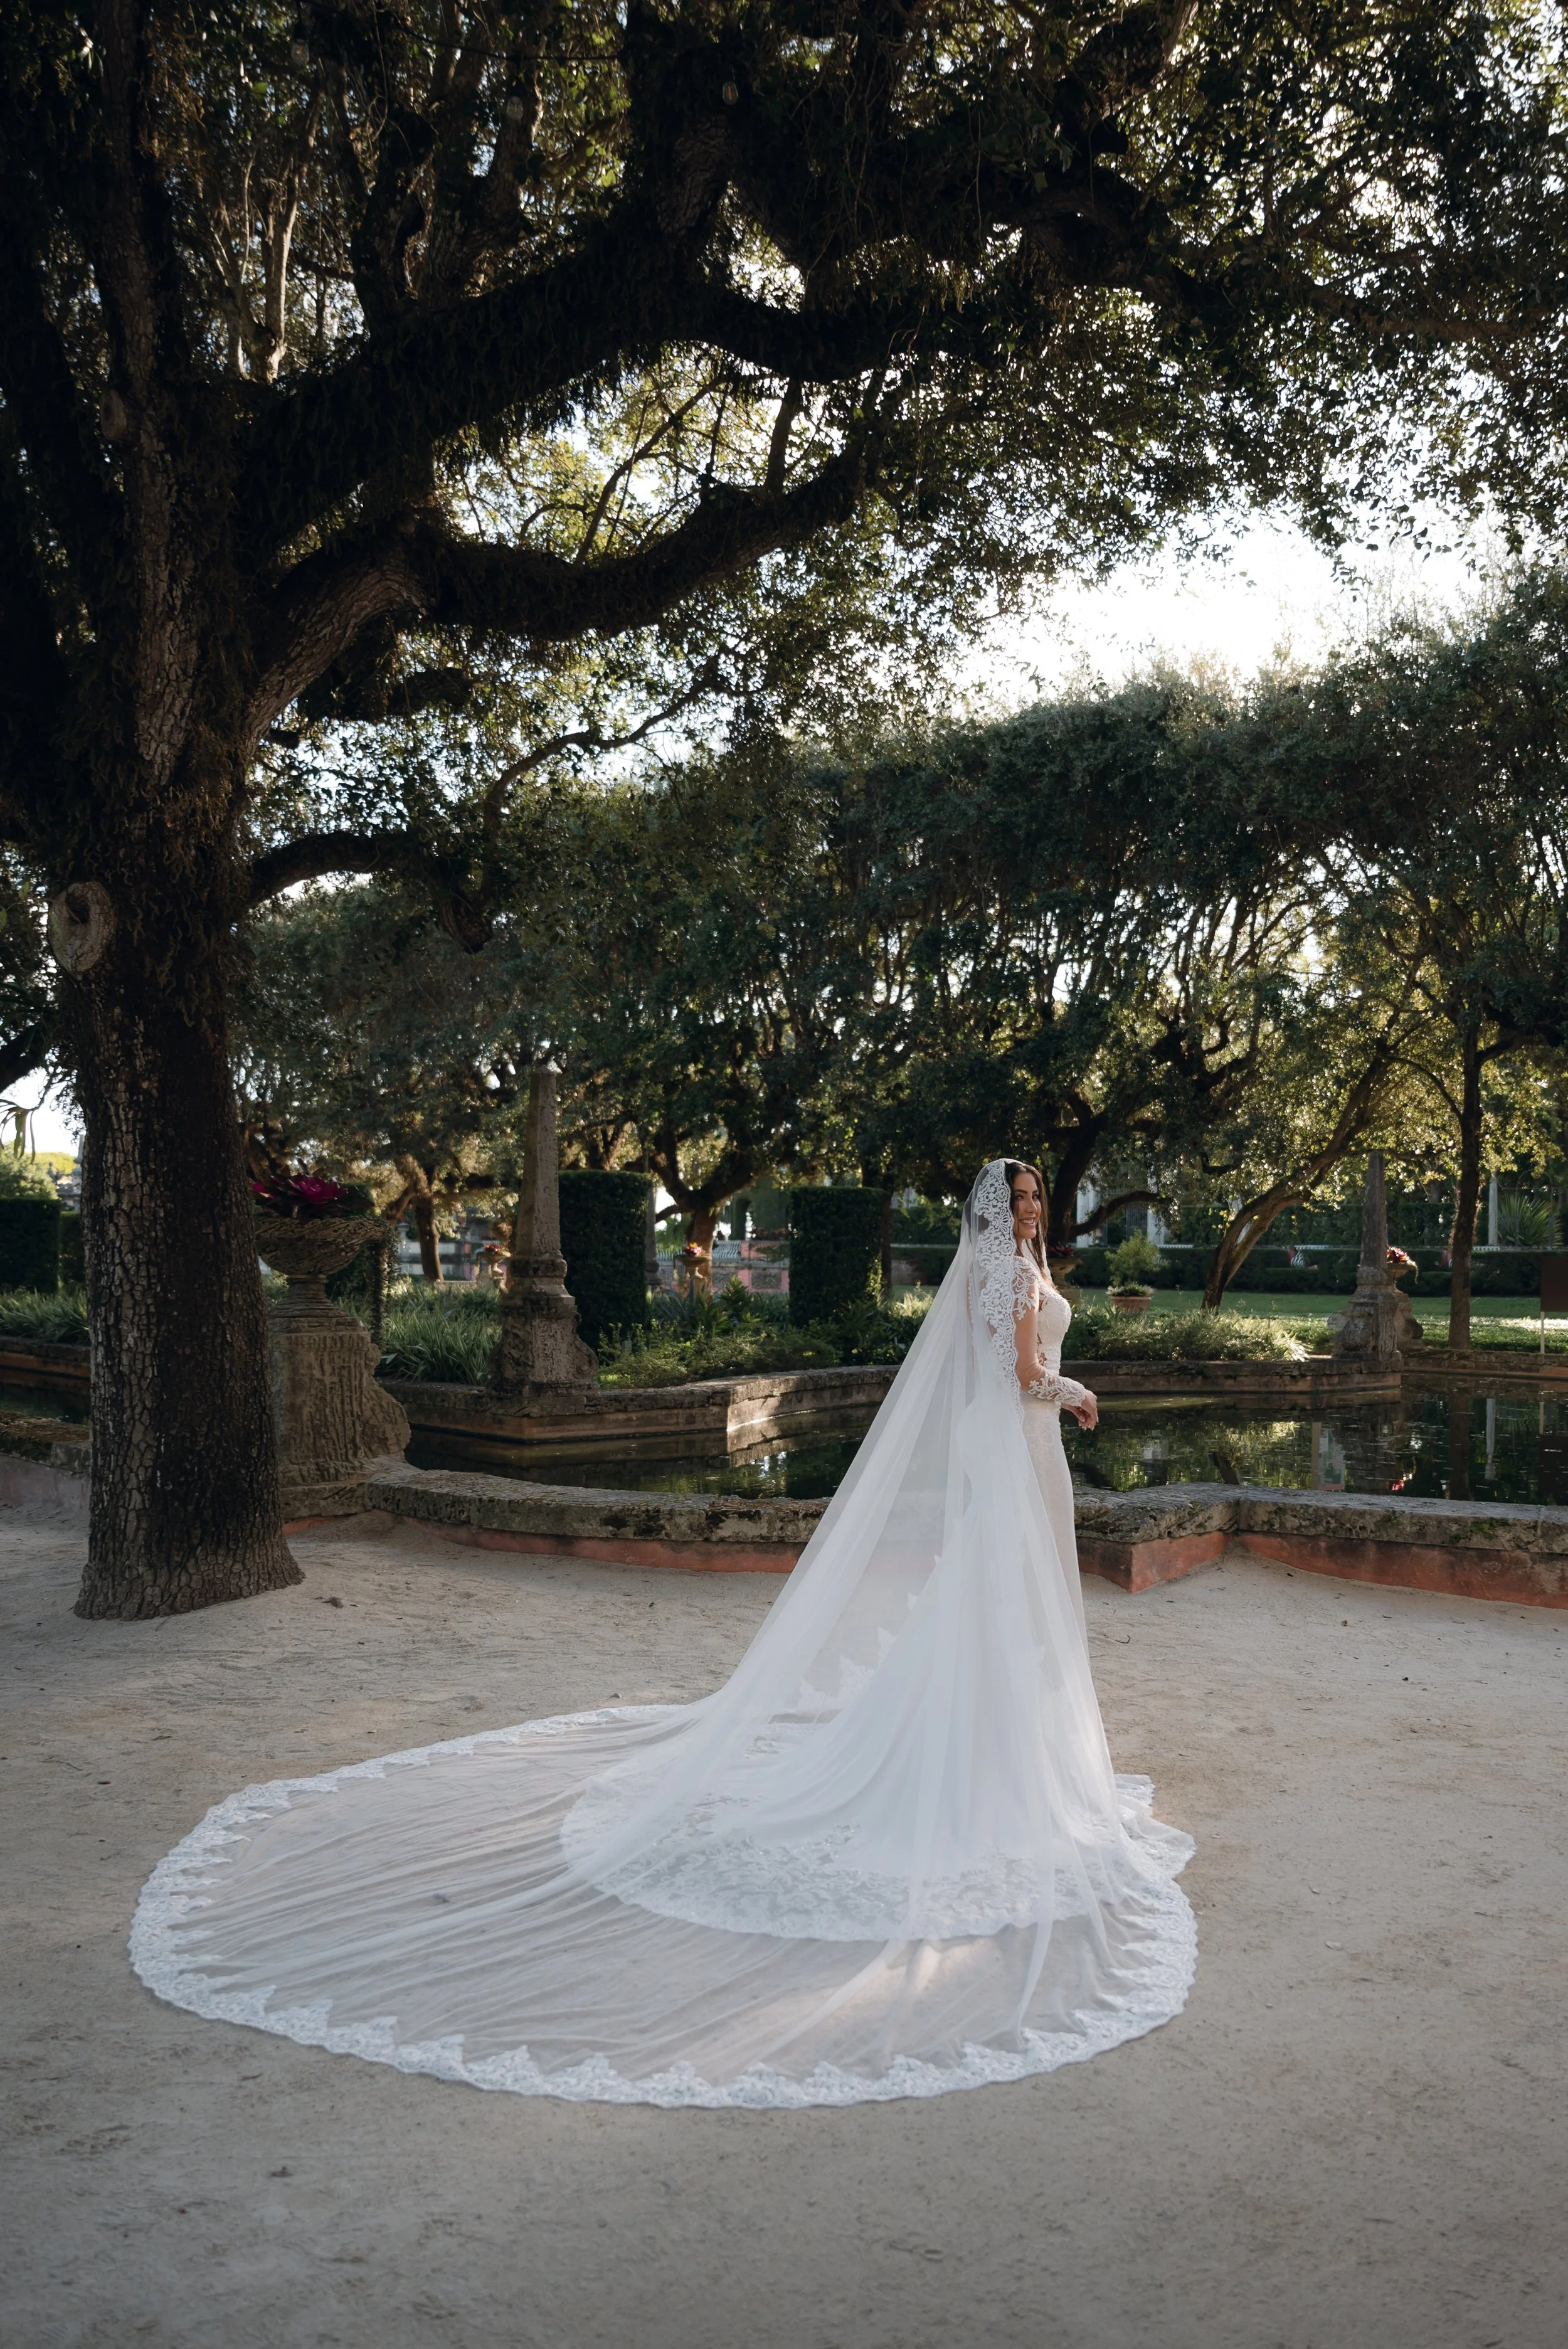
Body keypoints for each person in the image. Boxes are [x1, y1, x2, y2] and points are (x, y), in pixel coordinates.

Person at [132, 1159, 1194, 2109]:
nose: (1027, 1212)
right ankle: (983, 1751)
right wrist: (1079, 1389)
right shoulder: (1004, 1276)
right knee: (1000, 1594)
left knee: (1010, 1596)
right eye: (1013, 1200)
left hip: (1016, 1449)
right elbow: (1016, 1376)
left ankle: (1006, 1741)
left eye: (1033, 1200)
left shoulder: (1006, 1267)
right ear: (991, 1212)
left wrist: (1054, 1393)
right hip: (1018, 1439)